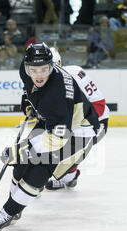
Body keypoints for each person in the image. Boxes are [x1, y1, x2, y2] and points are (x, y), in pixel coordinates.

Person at [0, 43, 101, 231]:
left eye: (44, 69)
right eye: (34, 70)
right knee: (20, 163)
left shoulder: (58, 94)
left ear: (52, 66)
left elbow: (58, 138)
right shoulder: (27, 69)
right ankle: (14, 204)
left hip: (78, 129)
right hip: (51, 121)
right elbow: (28, 87)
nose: (39, 75)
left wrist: (22, 151)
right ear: (26, 67)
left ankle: (8, 212)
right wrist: (27, 101)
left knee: (41, 166)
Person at [44, 47, 109, 191]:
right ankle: (68, 177)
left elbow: (98, 103)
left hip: (95, 122)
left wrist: (77, 127)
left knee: (72, 152)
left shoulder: (74, 73)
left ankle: (68, 176)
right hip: (72, 121)